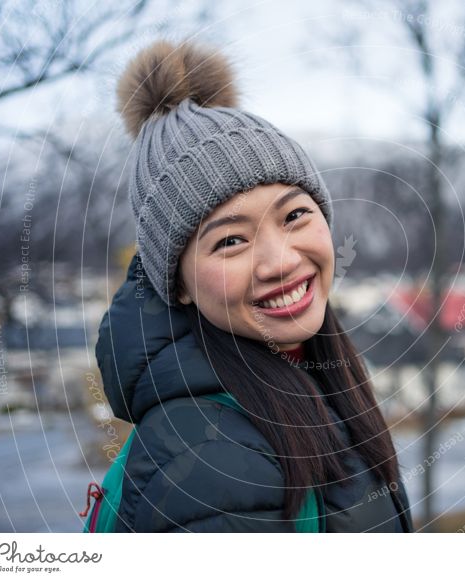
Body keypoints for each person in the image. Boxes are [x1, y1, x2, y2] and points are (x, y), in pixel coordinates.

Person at [95, 39, 414, 532]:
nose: (281, 262)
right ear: (176, 284)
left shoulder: (308, 379)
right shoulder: (205, 458)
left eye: (294, 215)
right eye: (230, 241)